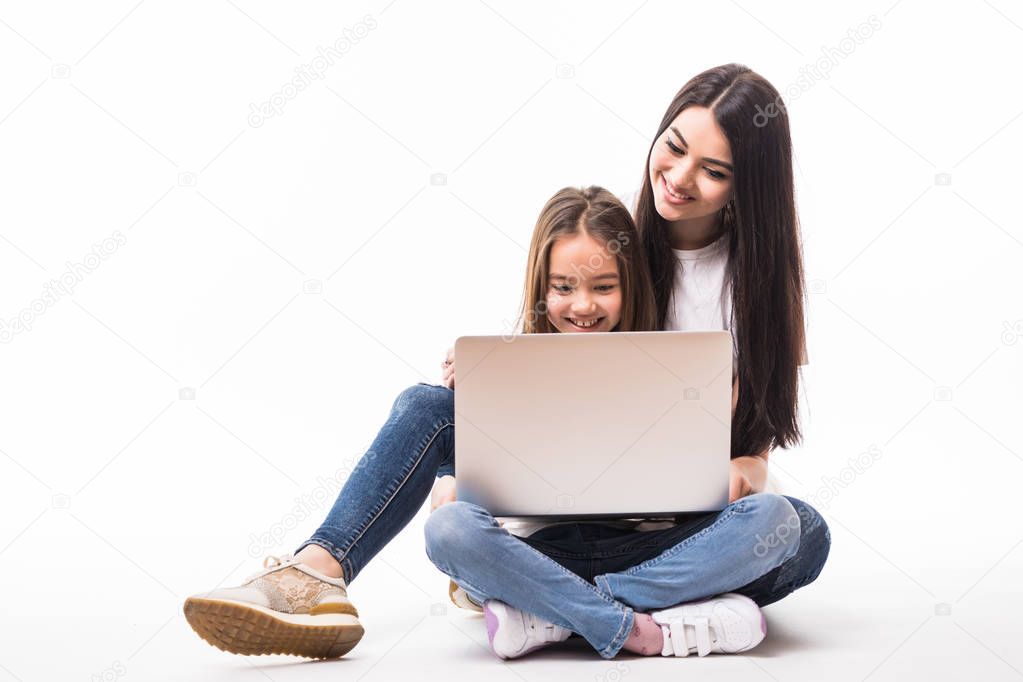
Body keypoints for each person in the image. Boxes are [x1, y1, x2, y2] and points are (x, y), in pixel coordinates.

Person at [426, 63, 828, 660]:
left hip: (676, 534)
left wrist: (748, 467)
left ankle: (553, 612)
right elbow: (551, 344)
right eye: (674, 147)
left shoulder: (767, 291)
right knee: (449, 527)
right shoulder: (617, 246)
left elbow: (757, 445)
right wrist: (488, 368)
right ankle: (658, 618)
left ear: (748, 185)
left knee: (799, 529)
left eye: (714, 172)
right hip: (560, 531)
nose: (680, 178)